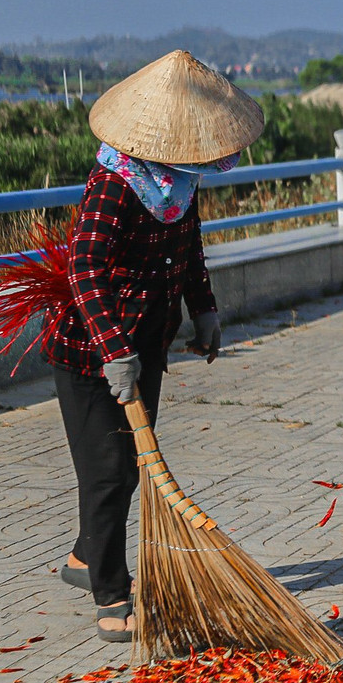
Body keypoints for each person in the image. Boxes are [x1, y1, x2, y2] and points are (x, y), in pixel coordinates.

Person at [45, 50, 263, 642]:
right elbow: (84, 268)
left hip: (147, 343)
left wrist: (204, 310)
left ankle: (86, 556)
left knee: (128, 470)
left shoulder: (179, 185)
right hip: (92, 351)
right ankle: (112, 594)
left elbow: (188, 250)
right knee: (109, 473)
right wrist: (113, 350)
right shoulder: (115, 184)